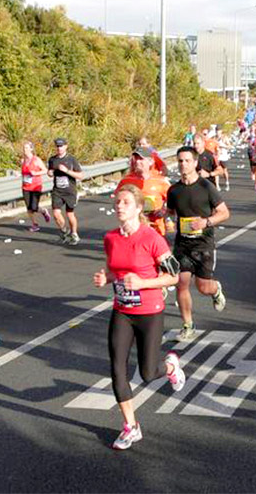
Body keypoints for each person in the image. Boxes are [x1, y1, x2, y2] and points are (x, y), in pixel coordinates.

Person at [92, 184, 185, 450]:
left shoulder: (152, 238)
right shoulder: (110, 238)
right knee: (117, 368)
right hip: (122, 311)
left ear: (138, 207)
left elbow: (174, 276)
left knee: (147, 373)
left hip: (149, 312)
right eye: (117, 202)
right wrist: (105, 277)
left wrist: (143, 284)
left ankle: (169, 366)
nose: (119, 206)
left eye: (125, 202)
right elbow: (114, 270)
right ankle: (131, 426)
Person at [167, 146, 229, 341]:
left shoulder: (206, 187)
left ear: (195, 163)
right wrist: (166, 219)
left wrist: (206, 222)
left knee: (202, 287)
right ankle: (188, 325)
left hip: (203, 245)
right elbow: (170, 213)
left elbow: (225, 213)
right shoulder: (174, 190)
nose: (183, 164)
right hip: (183, 245)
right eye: (180, 161)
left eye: (187, 161)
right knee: (181, 283)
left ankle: (215, 289)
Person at [115, 148, 171, 237]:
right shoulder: (126, 181)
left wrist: (164, 210)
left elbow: (173, 201)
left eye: (141, 159)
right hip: (133, 229)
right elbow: (116, 202)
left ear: (150, 162)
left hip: (156, 229)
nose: (137, 162)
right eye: (136, 158)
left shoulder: (161, 181)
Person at [47, 138, 83, 245]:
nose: (59, 148)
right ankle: (64, 231)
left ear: (66, 146)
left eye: (61, 146)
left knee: (69, 214)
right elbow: (50, 172)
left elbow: (80, 175)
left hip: (70, 191)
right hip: (57, 191)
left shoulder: (72, 159)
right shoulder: (52, 159)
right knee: (56, 213)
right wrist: (50, 173)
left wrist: (66, 171)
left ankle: (74, 234)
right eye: (57, 146)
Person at [20, 141, 50, 233]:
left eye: (27, 148)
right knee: (29, 208)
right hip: (26, 187)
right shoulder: (23, 160)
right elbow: (24, 173)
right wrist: (19, 174)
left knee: (34, 207)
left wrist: (36, 173)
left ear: (31, 149)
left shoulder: (36, 160)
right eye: (24, 148)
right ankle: (35, 224)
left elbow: (45, 170)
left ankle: (44, 211)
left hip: (36, 186)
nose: (25, 150)